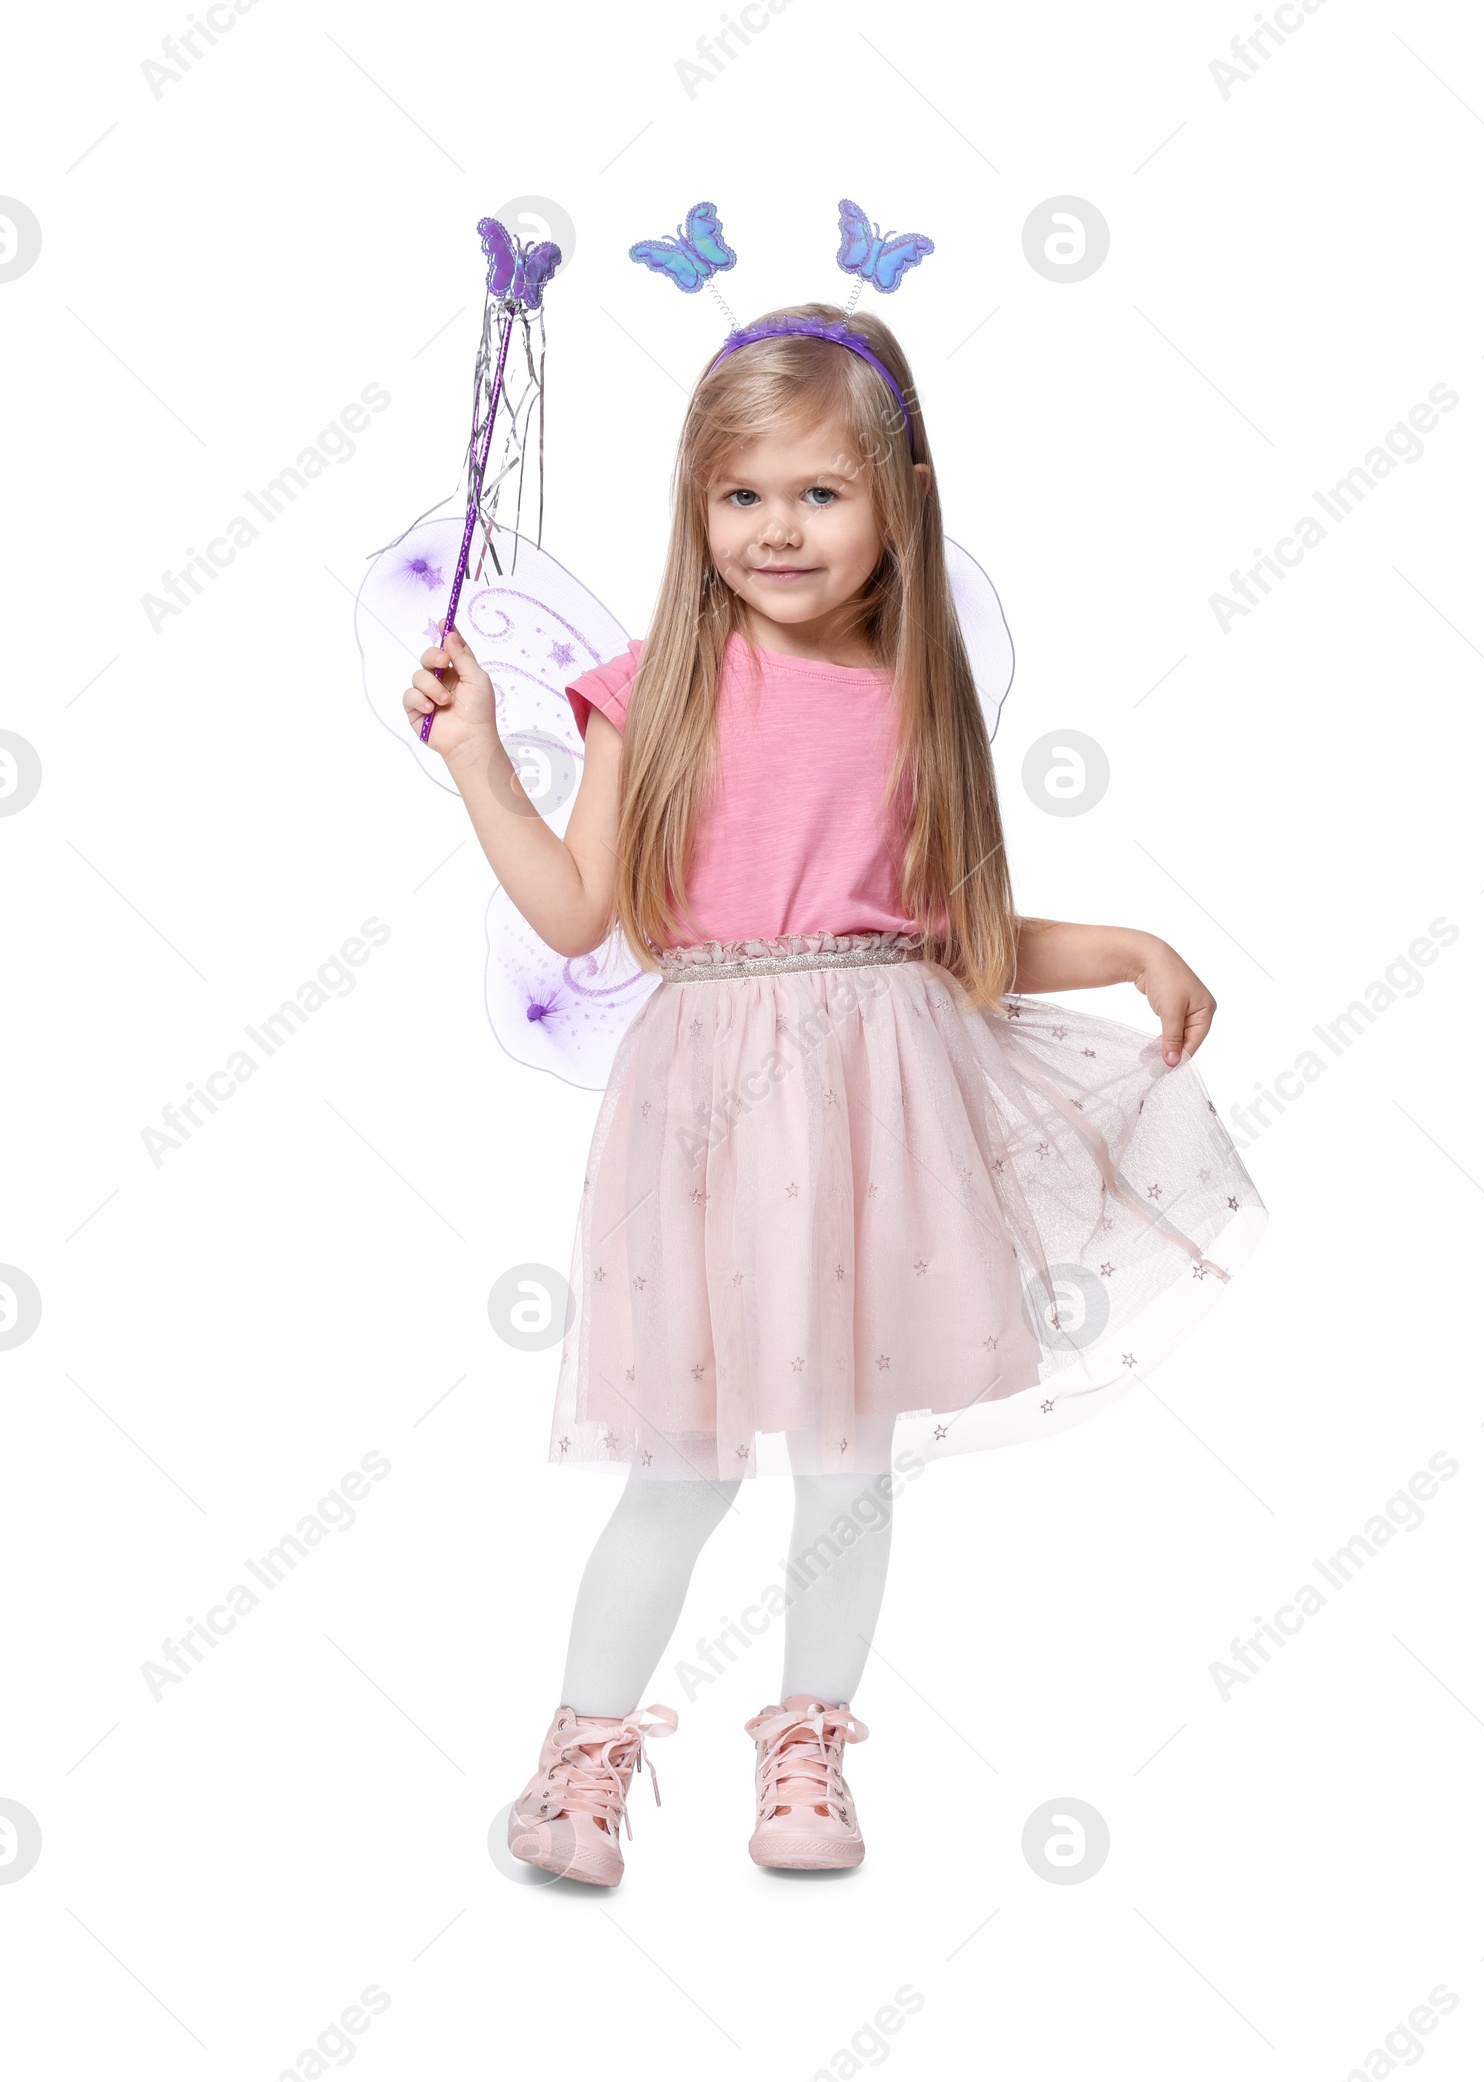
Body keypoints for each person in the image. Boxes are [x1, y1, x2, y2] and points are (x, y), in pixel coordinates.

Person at [404, 298, 1265, 1886]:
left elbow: (966, 936)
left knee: (851, 1462)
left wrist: (1128, 944)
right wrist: (477, 760)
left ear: (897, 505)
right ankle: (583, 1754)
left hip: (880, 1107)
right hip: (710, 1109)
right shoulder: (645, 683)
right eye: (742, 494)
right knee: (685, 1458)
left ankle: (809, 1744)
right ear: (696, 504)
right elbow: (581, 910)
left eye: (819, 492)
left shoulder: (913, 700)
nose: (777, 528)